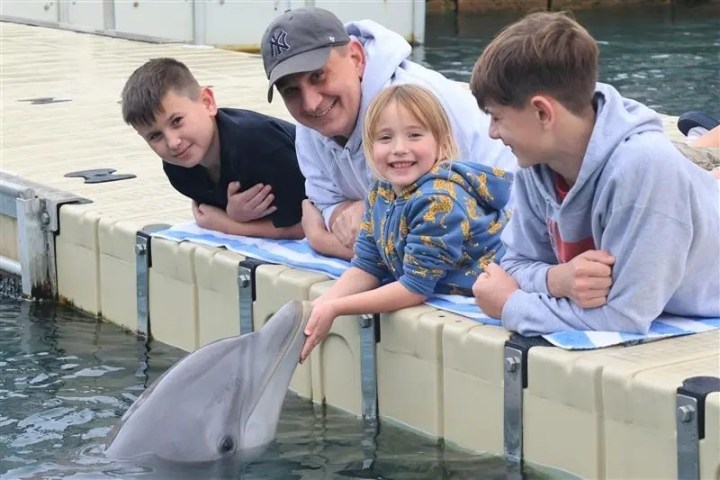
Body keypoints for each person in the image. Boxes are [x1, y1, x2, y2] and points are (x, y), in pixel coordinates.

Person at [470, 12, 720, 336]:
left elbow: (624, 318)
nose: (492, 132)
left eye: (497, 117)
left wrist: (510, 306)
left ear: (543, 112)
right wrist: (556, 280)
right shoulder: (537, 164)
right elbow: (514, 265)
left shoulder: (643, 166)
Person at [260, 7, 516, 259]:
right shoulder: (311, 125)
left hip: (514, 233)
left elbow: (432, 245)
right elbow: (324, 200)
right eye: (291, 91)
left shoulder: (414, 106)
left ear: (356, 58)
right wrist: (344, 214)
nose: (311, 103)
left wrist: (322, 240)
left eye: (318, 76)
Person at [300, 84, 512, 361]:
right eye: (385, 138)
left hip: (504, 278)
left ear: (443, 143)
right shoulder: (380, 191)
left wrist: (337, 308)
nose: (399, 149)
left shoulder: (439, 200)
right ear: (369, 146)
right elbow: (367, 264)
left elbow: (415, 288)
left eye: (414, 135)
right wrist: (320, 304)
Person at [121, 58, 306, 239]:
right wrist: (231, 213)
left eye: (177, 121)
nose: (173, 143)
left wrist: (228, 224)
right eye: (155, 136)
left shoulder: (260, 147)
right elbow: (209, 212)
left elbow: (306, 225)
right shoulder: (178, 171)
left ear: (208, 102)